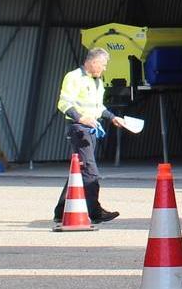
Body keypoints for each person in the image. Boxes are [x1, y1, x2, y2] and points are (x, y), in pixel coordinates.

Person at [53, 48, 127, 224]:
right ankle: (95, 211)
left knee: (78, 171)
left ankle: (61, 210)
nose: (104, 68)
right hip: (79, 129)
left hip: (91, 130)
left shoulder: (98, 82)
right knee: (90, 172)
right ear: (93, 62)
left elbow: (98, 107)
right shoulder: (73, 77)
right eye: (103, 64)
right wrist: (81, 118)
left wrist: (112, 117)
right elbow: (64, 103)